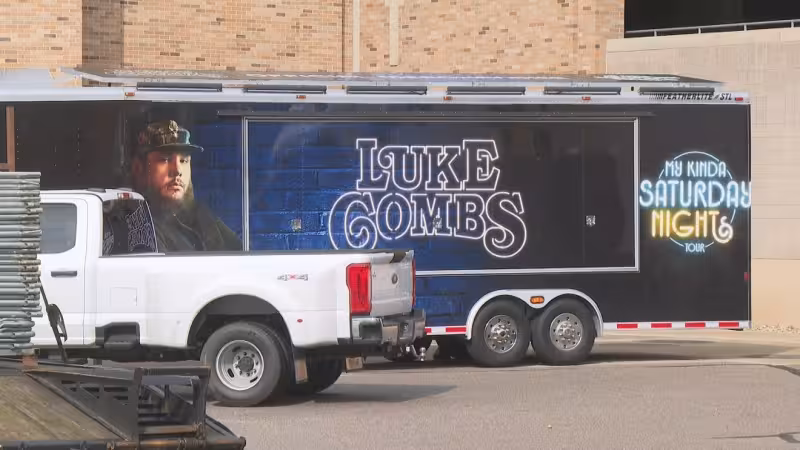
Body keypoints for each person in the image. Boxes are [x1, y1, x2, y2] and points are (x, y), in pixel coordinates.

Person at [130, 119, 242, 252]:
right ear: (139, 168)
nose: (177, 170)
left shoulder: (200, 215)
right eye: (165, 159)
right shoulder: (137, 225)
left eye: (184, 160)